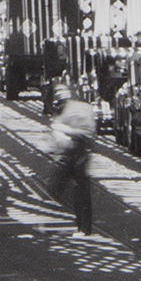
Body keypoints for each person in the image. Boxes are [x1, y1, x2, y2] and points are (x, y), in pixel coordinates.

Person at [46, 84, 97, 235]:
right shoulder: (84, 107)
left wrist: (64, 131)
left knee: (62, 188)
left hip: (74, 152)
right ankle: (84, 228)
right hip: (83, 151)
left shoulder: (65, 112)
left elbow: (58, 136)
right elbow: (92, 130)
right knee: (82, 191)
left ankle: (80, 228)